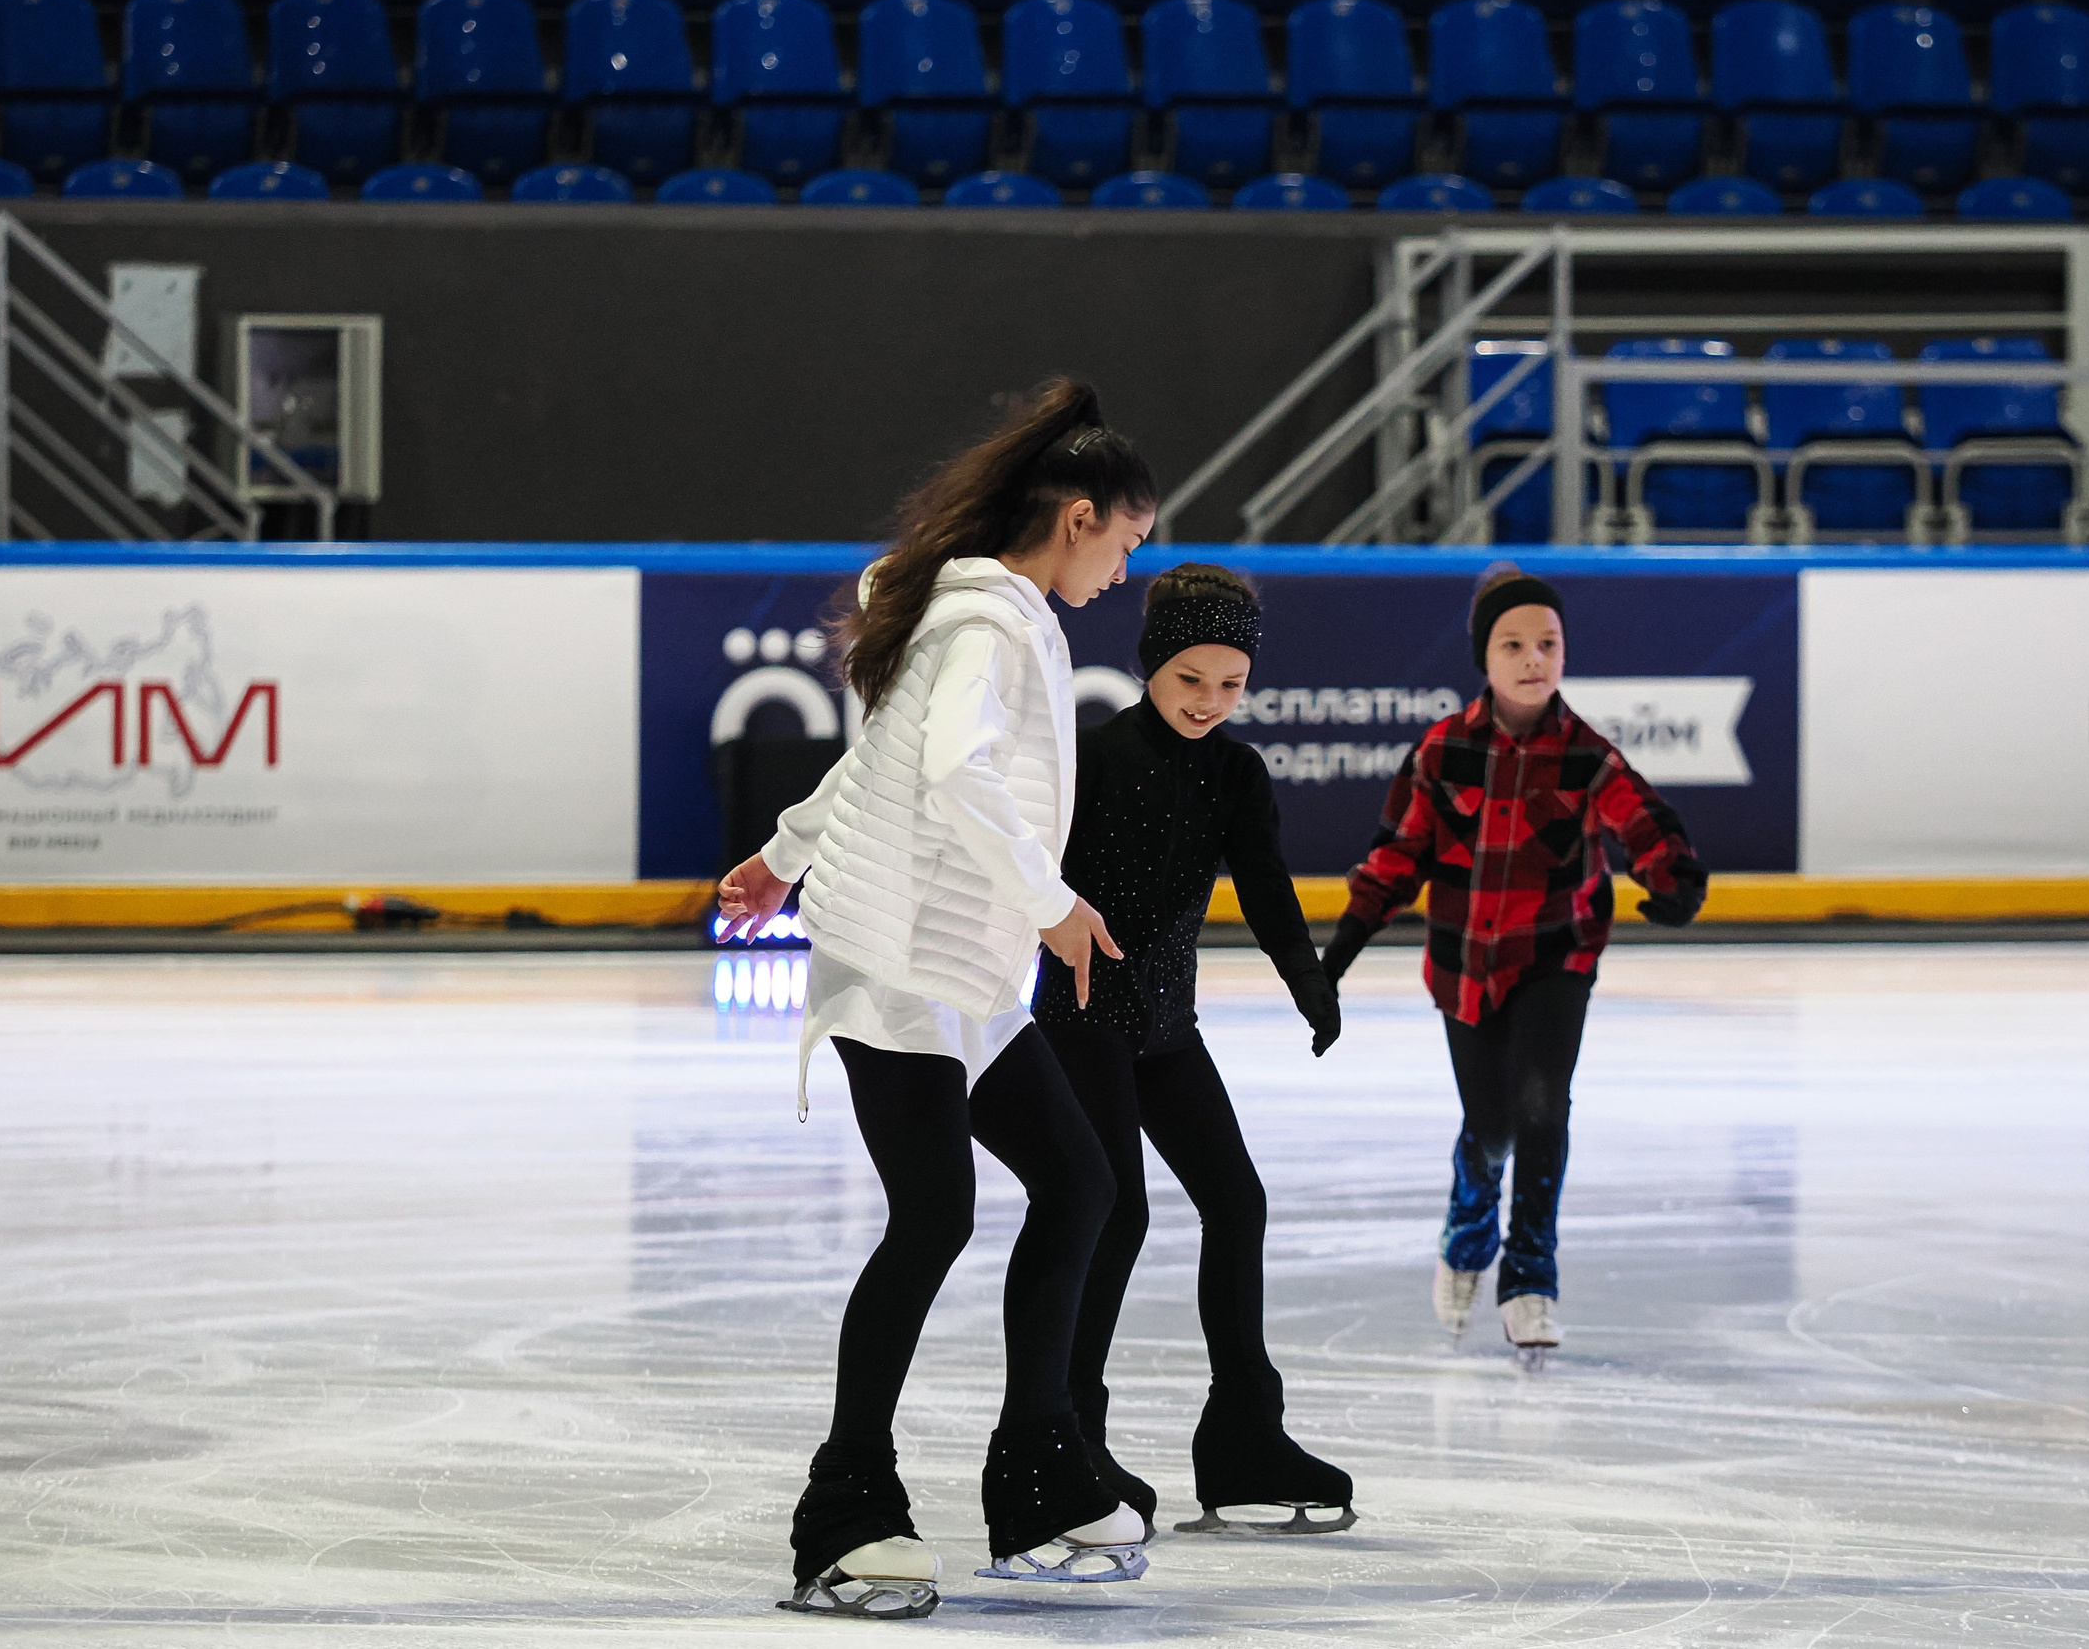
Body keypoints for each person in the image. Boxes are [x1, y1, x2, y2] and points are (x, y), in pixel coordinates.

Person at [717, 379, 1157, 1619]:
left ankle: (1035, 1477)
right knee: (933, 1220)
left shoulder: (982, 610)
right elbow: (952, 768)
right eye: (1126, 541)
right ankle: (844, 1509)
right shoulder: (990, 626)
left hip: (955, 971)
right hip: (899, 967)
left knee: (1079, 1184)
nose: (1126, 570)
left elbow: (881, 755)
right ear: (1077, 517)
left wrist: (785, 851)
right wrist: (1052, 902)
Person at [1034, 563, 1357, 1539]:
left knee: (1236, 1201)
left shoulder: (1236, 774)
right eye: (1191, 682)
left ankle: (1243, 1439)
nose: (1211, 702)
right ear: (1150, 669)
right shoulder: (1086, 759)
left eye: (1230, 685)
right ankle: (1068, 1439)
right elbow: (1019, 870)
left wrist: (1311, 983)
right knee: (1115, 1215)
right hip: (1083, 1023)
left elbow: (1265, 890)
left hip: (1169, 1032)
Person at [1321, 564, 1709, 1365]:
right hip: (1465, 963)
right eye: (1514, 644)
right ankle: (1469, 1225)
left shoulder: (1585, 755)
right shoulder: (1444, 750)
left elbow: (1643, 821)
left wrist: (1674, 878)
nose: (1534, 658)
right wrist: (1343, 948)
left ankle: (1531, 1273)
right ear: (1484, 657)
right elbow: (1397, 855)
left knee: (1541, 1107)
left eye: (1548, 643)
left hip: (1555, 955)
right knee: (1491, 1126)